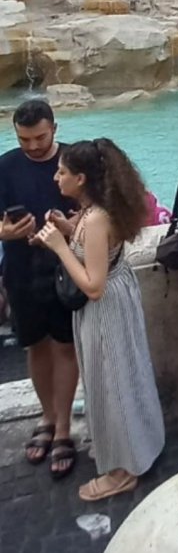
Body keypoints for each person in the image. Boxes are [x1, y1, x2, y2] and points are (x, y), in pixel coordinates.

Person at [35, 139, 165, 501]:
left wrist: (59, 247)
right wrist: (67, 229)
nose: (56, 178)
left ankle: (123, 471)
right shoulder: (97, 210)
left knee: (112, 384)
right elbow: (98, 250)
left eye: (62, 172)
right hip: (118, 300)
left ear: (80, 178)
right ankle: (138, 446)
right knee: (126, 376)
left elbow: (93, 286)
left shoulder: (95, 219)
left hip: (105, 309)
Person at [0, 100, 79, 478]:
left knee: (64, 345)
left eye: (40, 138)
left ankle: (63, 427)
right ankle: (47, 417)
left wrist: (66, 227)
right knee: (35, 346)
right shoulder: (5, 166)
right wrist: (4, 233)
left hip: (64, 267)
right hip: (20, 268)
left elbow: (97, 212)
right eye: (24, 139)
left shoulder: (76, 161)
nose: (33, 146)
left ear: (55, 129)